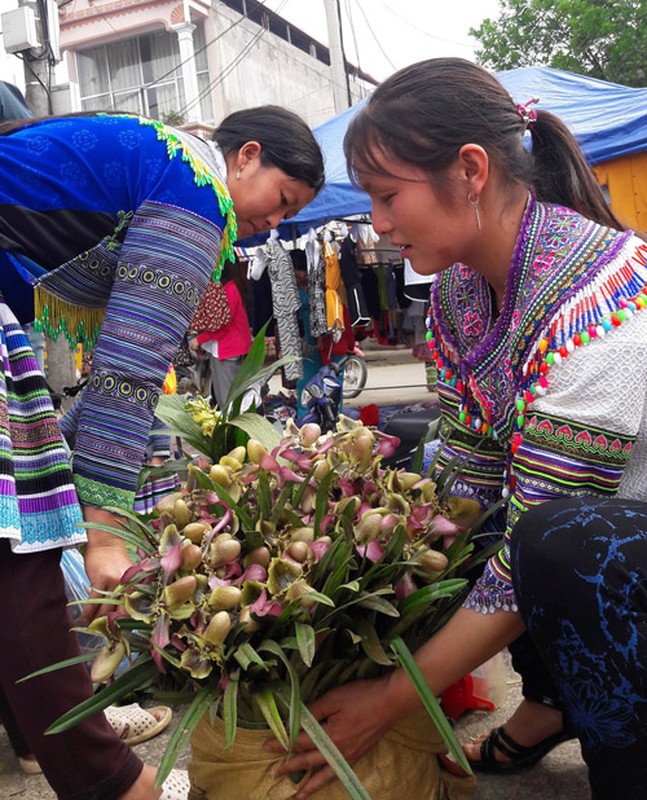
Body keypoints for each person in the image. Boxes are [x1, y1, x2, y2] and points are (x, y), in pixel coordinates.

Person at [264, 57, 647, 800]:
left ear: (469, 170)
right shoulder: (460, 296)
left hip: (616, 551)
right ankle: (548, 706)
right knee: (449, 501)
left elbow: (532, 539)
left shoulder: (602, 300)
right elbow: (461, 499)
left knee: (554, 544)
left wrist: (386, 706)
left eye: (385, 195)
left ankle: (624, 762)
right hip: (585, 536)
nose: (375, 223)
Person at [0, 105, 323, 800]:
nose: (275, 222)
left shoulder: (156, 157)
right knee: (20, 562)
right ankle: (116, 786)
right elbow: (130, 365)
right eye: (282, 201)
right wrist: (109, 527)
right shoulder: (194, 187)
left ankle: (88, 769)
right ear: (247, 156)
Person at [189, 260, 252, 410]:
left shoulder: (229, 289)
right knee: (226, 397)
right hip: (226, 349)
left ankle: (231, 431)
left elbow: (223, 325)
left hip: (227, 350)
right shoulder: (231, 287)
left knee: (227, 400)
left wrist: (200, 339)